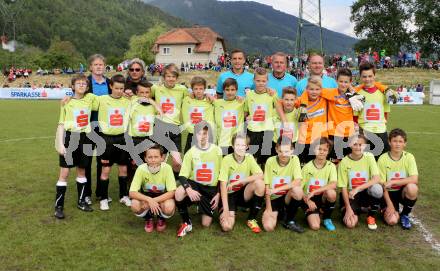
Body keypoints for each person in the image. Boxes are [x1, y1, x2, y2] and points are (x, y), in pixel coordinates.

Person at [53, 75, 95, 219]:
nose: (82, 85)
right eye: (78, 83)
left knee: (82, 171)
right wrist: (60, 143)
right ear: (73, 86)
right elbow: (61, 124)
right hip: (71, 138)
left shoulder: (91, 99)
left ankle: (81, 201)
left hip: (86, 138)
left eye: (84, 83)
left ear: (88, 87)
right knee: (64, 173)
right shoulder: (67, 102)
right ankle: (58, 206)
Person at [175, 121, 222, 237]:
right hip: (195, 184)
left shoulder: (217, 151)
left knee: (206, 224)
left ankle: (201, 206)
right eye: (199, 134)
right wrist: (188, 189)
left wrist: (218, 193)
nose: (202, 137)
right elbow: (182, 175)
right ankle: (187, 221)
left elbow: (223, 175)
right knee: (179, 193)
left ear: (208, 134)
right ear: (195, 135)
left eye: (205, 134)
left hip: (210, 189)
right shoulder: (190, 152)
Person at [95, 74, 131, 211]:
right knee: (106, 169)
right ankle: (104, 199)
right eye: (116, 88)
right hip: (106, 139)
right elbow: (83, 100)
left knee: (123, 169)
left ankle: (124, 196)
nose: (119, 91)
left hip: (122, 138)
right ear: (110, 86)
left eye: (121, 88)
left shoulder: (128, 101)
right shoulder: (102, 99)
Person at [219, 133, 265, 233]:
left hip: (244, 193)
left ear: (247, 147)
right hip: (229, 195)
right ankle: (229, 211)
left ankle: (251, 219)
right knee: (227, 227)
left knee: (260, 183)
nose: (240, 148)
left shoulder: (249, 157)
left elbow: (261, 175)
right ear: (232, 146)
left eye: (243, 145)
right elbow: (222, 185)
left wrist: (238, 182)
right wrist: (226, 209)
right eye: (237, 145)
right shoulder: (226, 160)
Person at [338, 134, 383, 230]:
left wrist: (358, 188)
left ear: (365, 146)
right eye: (355, 144)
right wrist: (348, 208)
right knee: (350, 224)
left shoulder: (369, 157)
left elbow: (376, 178)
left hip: (365, 192)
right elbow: (343, 188)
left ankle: (371, 216)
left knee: (377, 189)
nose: (358, 147)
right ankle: (357, 209)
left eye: (361, 145)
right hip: (351, 195)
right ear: (350, 144)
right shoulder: (344, 162)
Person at [150, 64, 188, 180]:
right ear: (164, 77)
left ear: (176, 78)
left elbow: (192, 98)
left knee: (177, 162)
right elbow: (147, 97)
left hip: (175, 129)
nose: (171, 79)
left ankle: (175, 181)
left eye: (173, 76)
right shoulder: (156, 88)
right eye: (168, 76)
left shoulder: (182, 89)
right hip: (159, 128)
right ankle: (159, 183)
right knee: (159, 160)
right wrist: (155, 106)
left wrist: (208, 96)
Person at [129, 144, 176, 233]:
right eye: (150, 157)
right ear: (145, 159)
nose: (153, 160)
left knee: (169, 207)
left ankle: (161, 218)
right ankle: (148, 218)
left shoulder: (167, 168)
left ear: (162, 158)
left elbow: (172, 192)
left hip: (162, 198)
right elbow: (132, 192)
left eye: (156, 157)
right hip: (146, 198)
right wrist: (149, 200)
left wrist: (154, 201)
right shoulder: (141, 169)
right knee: (134, 204)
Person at [354, 62, 396, 160]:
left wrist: (382, 126)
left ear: (374, 76)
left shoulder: (383, 93)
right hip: (365, 134)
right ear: (360, 77)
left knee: (382, 163)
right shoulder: (357, 94)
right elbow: (355, 116)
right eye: (364, 76)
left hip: (381, 133)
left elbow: (386, 112)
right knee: (365, 164)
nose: (367, 79)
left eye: (370, 76)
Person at [245, 67, 286, 166]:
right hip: (253, 130)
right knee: (254, 157)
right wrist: (246, 117)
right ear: (254, 80)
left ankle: (266, 178)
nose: (260, 83)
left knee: (267, 158)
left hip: (268, 130)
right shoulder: (249, 94)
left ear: (267, 81)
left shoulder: (272, 94)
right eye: (258, 80)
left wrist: (284, 121)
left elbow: (279, 108)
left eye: (263, 81)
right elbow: (246, 111)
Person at [379, 128, 418, 230]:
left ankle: (405, 215)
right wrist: (390, 204)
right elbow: (382, 185)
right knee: (392, 221)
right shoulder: (383, 159)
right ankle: (386, 209)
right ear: (389, 142)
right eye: (395, 141)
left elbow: (414, 178)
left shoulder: (409, 157)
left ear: (405, 143)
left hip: (401, 192)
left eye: (400, 141)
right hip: (387, 193)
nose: (397, 144)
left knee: (412, 188)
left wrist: (394, 181)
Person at [262, 137, 304, 233]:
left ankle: (289, 220)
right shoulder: (270, 161)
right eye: (280, 151)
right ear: (276, 149)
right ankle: (280, 213)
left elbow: (297, 181)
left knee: (298, 190)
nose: (283, 154)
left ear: (292, 150)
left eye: (286, 151)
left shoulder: (295, 159)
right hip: (273, 199)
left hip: (287, 197)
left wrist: (276, 190)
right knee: (268, 227)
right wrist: (268, 208)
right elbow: (267, 186)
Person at [300, 138, 337, 231]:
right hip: (309, 198)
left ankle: (326, 218)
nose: (321, 152)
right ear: (314, 149)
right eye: (319, 149)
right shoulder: (307, 167)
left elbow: (333, 184)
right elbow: (299, 188)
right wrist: (308, 201)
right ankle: (313, 214)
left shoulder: (331, 166)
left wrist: (315, 191)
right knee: (315, 226)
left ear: (328, 152)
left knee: (331, 193)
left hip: (322, 197)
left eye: (324, 150)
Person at [296, 77, 328, 164]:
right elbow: (280, 102)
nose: (314, 92)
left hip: (320, 141)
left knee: (319, 168)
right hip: (304, 141)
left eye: (317, 89)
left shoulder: (324, 100)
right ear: (306, 89)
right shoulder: (300, 101)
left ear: (321, 90)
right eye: (311, 89)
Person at [182, 76, 214, 153]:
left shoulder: (209, 101)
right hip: (192, 134)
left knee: (203, 159)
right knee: (188, 157)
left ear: (204, 89)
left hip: (205, 135)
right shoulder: (187, 100)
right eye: (196, 89)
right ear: (192, 89)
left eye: (201, 89)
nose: (198, 91)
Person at [213, 78, 245, 155]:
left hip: (237, 142)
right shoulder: (217, 103)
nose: (230, 92)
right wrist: (206, 94)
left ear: (236, 90)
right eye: (227, 90)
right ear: (223, 91)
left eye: (232, 90)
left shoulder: (242, 102)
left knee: (237, 165)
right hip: (222, 142)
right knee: (224, 165)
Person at [272, 87, 300, 155]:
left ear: (296, 100)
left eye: (292, 100)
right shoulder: (273, 112)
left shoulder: (298, 113)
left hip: (292, 144)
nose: (289, 102)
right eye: (286, 99)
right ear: (282, 100)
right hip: (276, 144)